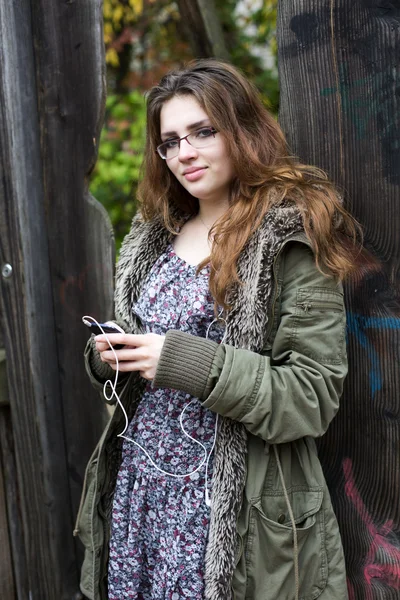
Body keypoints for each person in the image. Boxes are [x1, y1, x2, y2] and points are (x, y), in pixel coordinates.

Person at [74, 59, 360, 600]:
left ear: (242, 129)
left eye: (203, 132)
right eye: (170, 141)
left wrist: (183, 362)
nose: (185, 153)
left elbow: (311, 396)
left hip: (228, 507)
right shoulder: (157, 232)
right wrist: (110, 356)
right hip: (143, 488)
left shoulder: (291, 236)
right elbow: (146, 364)